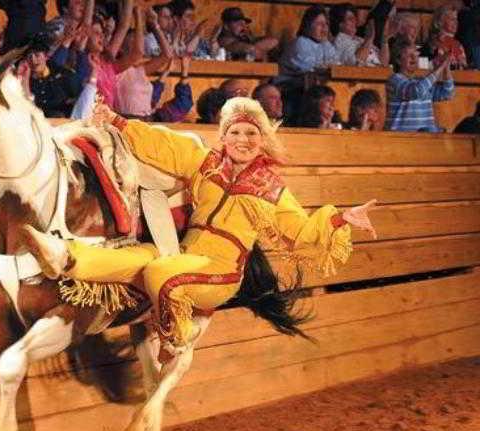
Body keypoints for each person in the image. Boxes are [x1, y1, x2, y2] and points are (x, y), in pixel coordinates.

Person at [20, 96, 377, 355]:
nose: (243, 140)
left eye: (251, 134)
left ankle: (174, 338)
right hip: (186, 253)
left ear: (262, 141)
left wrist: (340, 218)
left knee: (162, 272)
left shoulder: (271, 189)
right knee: (136, 256)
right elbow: (165, 145)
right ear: (223, 137)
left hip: (220, 273)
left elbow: (302, 232)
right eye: (235, 132)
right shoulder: (206, 164)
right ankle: (65, 257)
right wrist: (117, 121)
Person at [275, 5, 338, 123]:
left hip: (312, 89)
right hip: (289, 90)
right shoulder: (300, 42)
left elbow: (336, 65)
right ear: (308, 25)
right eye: (319, 24)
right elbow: (311, 70)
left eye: (326, 24)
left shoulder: (326, 45)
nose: (324, 28)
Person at [385, 40, 455, 132]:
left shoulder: (421, 81)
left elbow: (447, 94)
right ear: (398, 60)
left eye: (415, 54)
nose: (414, 58)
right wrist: (440, 67)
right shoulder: (394, 79)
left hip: (424, 139)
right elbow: (416, 91)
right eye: (409, 55)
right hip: (401, 139)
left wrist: (446, 67)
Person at [422, 4, 468, 69]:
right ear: (440, 21)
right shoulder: (432, 43)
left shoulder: (458, 44)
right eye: (452, 19)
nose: (456, 22)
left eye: (456, 19)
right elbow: (423, 67)